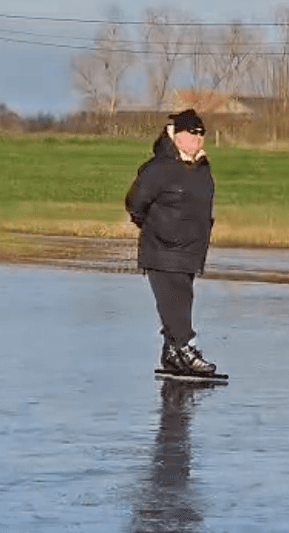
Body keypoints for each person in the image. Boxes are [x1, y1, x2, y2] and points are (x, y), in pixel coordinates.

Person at [126, 109, 220, 377]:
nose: (197, 139)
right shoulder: (159, 168)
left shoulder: (201, 169)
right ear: (176, 135)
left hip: (191, 250)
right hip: (162, 249)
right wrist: (157, 228)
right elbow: (135, 203)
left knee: (182, 301)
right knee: (173, 304)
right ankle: (185, 349)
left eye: (201, 134)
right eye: (192, 133)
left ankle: (172, 352)